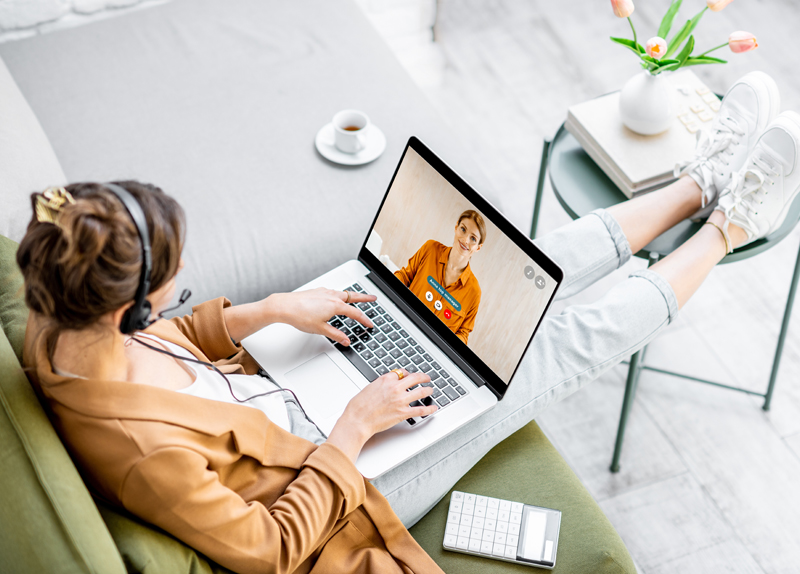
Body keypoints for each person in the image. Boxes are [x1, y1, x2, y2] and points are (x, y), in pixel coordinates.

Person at [19, 71, 800, 573]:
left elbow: (177, 345)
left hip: (285, 390)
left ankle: (698, 182)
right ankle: (733, 223)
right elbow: (266, 551)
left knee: (518, 268)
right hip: (339, 482)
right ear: (132, 306)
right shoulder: (140, 454)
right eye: (176, 278)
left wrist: (270, 311)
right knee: (552, 346)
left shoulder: (60, 321)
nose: (186, 285)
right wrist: (355, 429)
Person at [394, 210, 486, 344]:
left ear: (478, 247)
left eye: (473, 238)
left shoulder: (474, 292)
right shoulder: (430, 249)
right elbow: (404, 276)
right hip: (402, 323)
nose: (466, 240)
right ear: (456, 228)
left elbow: (463, 334)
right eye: (463, 229)